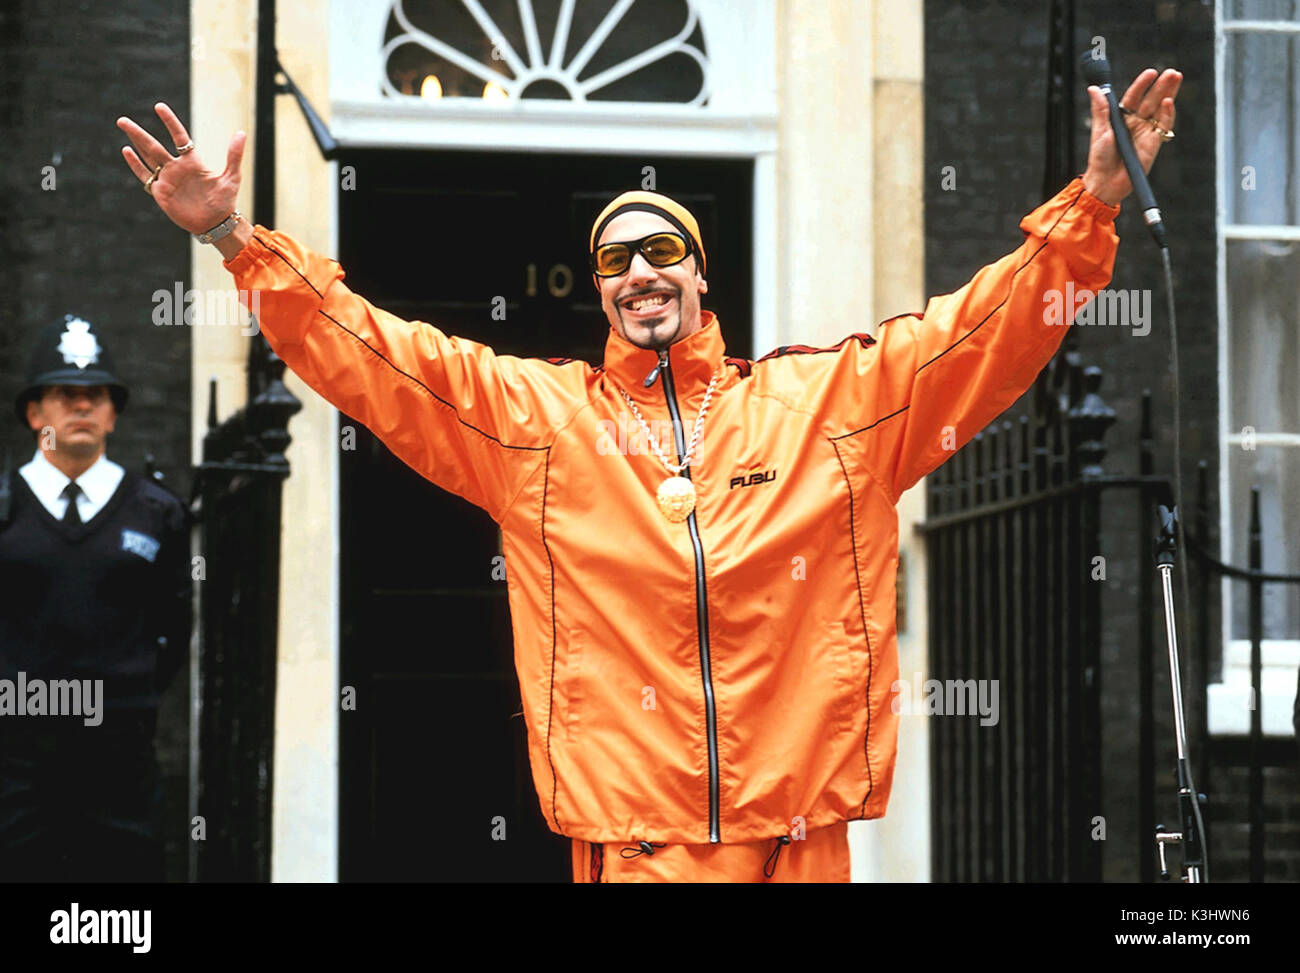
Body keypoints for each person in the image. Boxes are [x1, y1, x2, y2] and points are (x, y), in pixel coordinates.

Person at [115, 65, 1181, 883]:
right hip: (642, 835)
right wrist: (233, 237)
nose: (640, 273)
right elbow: (375, 355)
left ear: (700, 273)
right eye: (616, 261)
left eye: (661, 250)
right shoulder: (539, 421)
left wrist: (1090, 202)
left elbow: (980, 334)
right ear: (601, 293)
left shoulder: (827, 404)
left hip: (799, 823)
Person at [0, 316, 191, 882]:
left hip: (119, 754)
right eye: (65, 395)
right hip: (17, 752)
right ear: (36, 413)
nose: (81, 408)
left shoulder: (156, 512)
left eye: (95, 396)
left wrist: (123, 699)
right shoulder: (5, 508)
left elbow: (173, 628)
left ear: (113, 413)